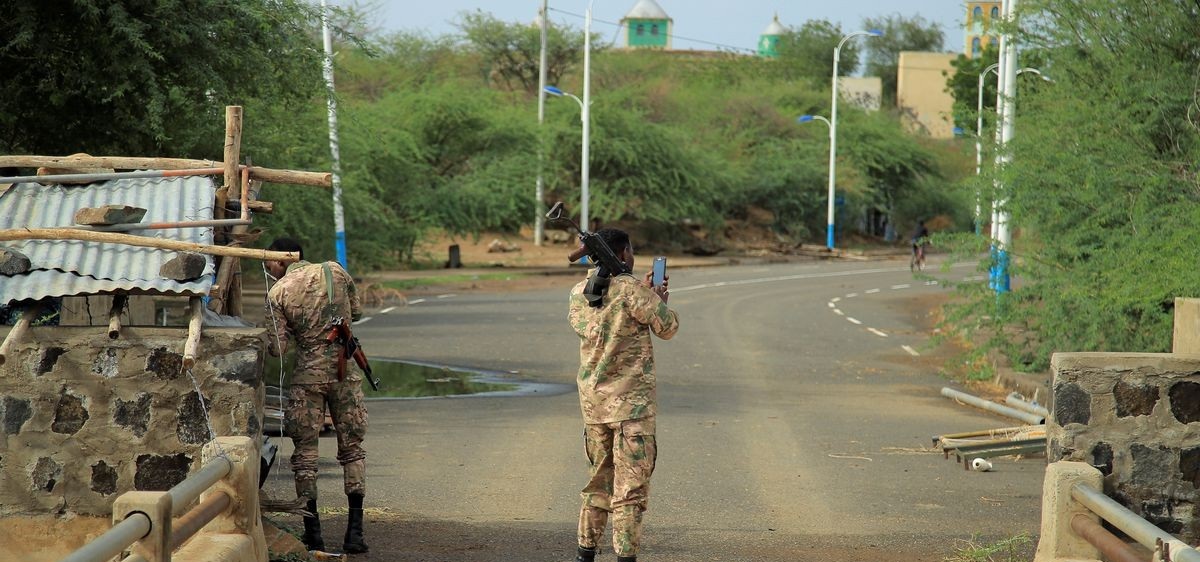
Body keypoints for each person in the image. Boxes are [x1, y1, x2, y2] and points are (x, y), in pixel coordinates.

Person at [567, 228, 679, 562]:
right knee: (629, 490)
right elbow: (667, 327)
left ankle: (585, 553)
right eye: (630, 250)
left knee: (597, 484)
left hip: (594, 406)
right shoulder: (632, 291)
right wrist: (656, 298)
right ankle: (625, 557)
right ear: (624, 253)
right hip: (632, 408)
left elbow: (590, 323)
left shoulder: (579, 292)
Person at [264, 237, 369, 554]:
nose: (268, 269)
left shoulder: (278, 293)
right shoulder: (335, 272)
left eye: (269, 262)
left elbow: (278, 349)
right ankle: (355, 533)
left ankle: (314, 534)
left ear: (282, 259)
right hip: (344, 374)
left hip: (307, 379)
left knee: (305, 455)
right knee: (352, 450)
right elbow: (358, 313)